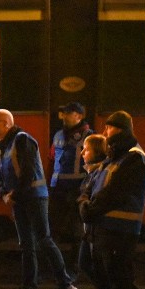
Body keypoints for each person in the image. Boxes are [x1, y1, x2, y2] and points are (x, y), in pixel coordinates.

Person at [0, 109, 78, 289]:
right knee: (27, 245)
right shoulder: (3, 147)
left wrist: (13, 194)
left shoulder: (22, 140)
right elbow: (0, 175)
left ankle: (67, 286)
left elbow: (28, 171)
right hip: (21, 200)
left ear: (6, 123)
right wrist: (4, 193)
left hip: (35, 197)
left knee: (43, 240)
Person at [78, 111, 145, 289]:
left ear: (118, 130)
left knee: (122, 285)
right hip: (104, 229)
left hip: (121, 231)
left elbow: (114, 193)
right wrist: (86, 202)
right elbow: (91, 184)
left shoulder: (133, 158)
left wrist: (89, 209)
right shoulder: (114, 157)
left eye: (109, 129)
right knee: (107, 281)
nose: (105, 133)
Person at [48, 102, 93, 277]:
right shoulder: (58, 135)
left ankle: (75, 268)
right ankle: (55, 268)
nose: (65, 116)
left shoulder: (89, 136)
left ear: (79, 116)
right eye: (64, 113)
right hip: (58, 188)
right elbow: (52, 158)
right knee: (53, 229)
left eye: (69, 113)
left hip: (78, 189)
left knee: (77, 232)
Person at [76, 133, 108, 289]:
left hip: (96, 230)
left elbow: (88, 198)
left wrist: (83, 202)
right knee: (87, 264)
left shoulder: (100, 172)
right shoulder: (93, 171)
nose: (82, 153)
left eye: (86, 150)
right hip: (90, 230)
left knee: (94, 268)